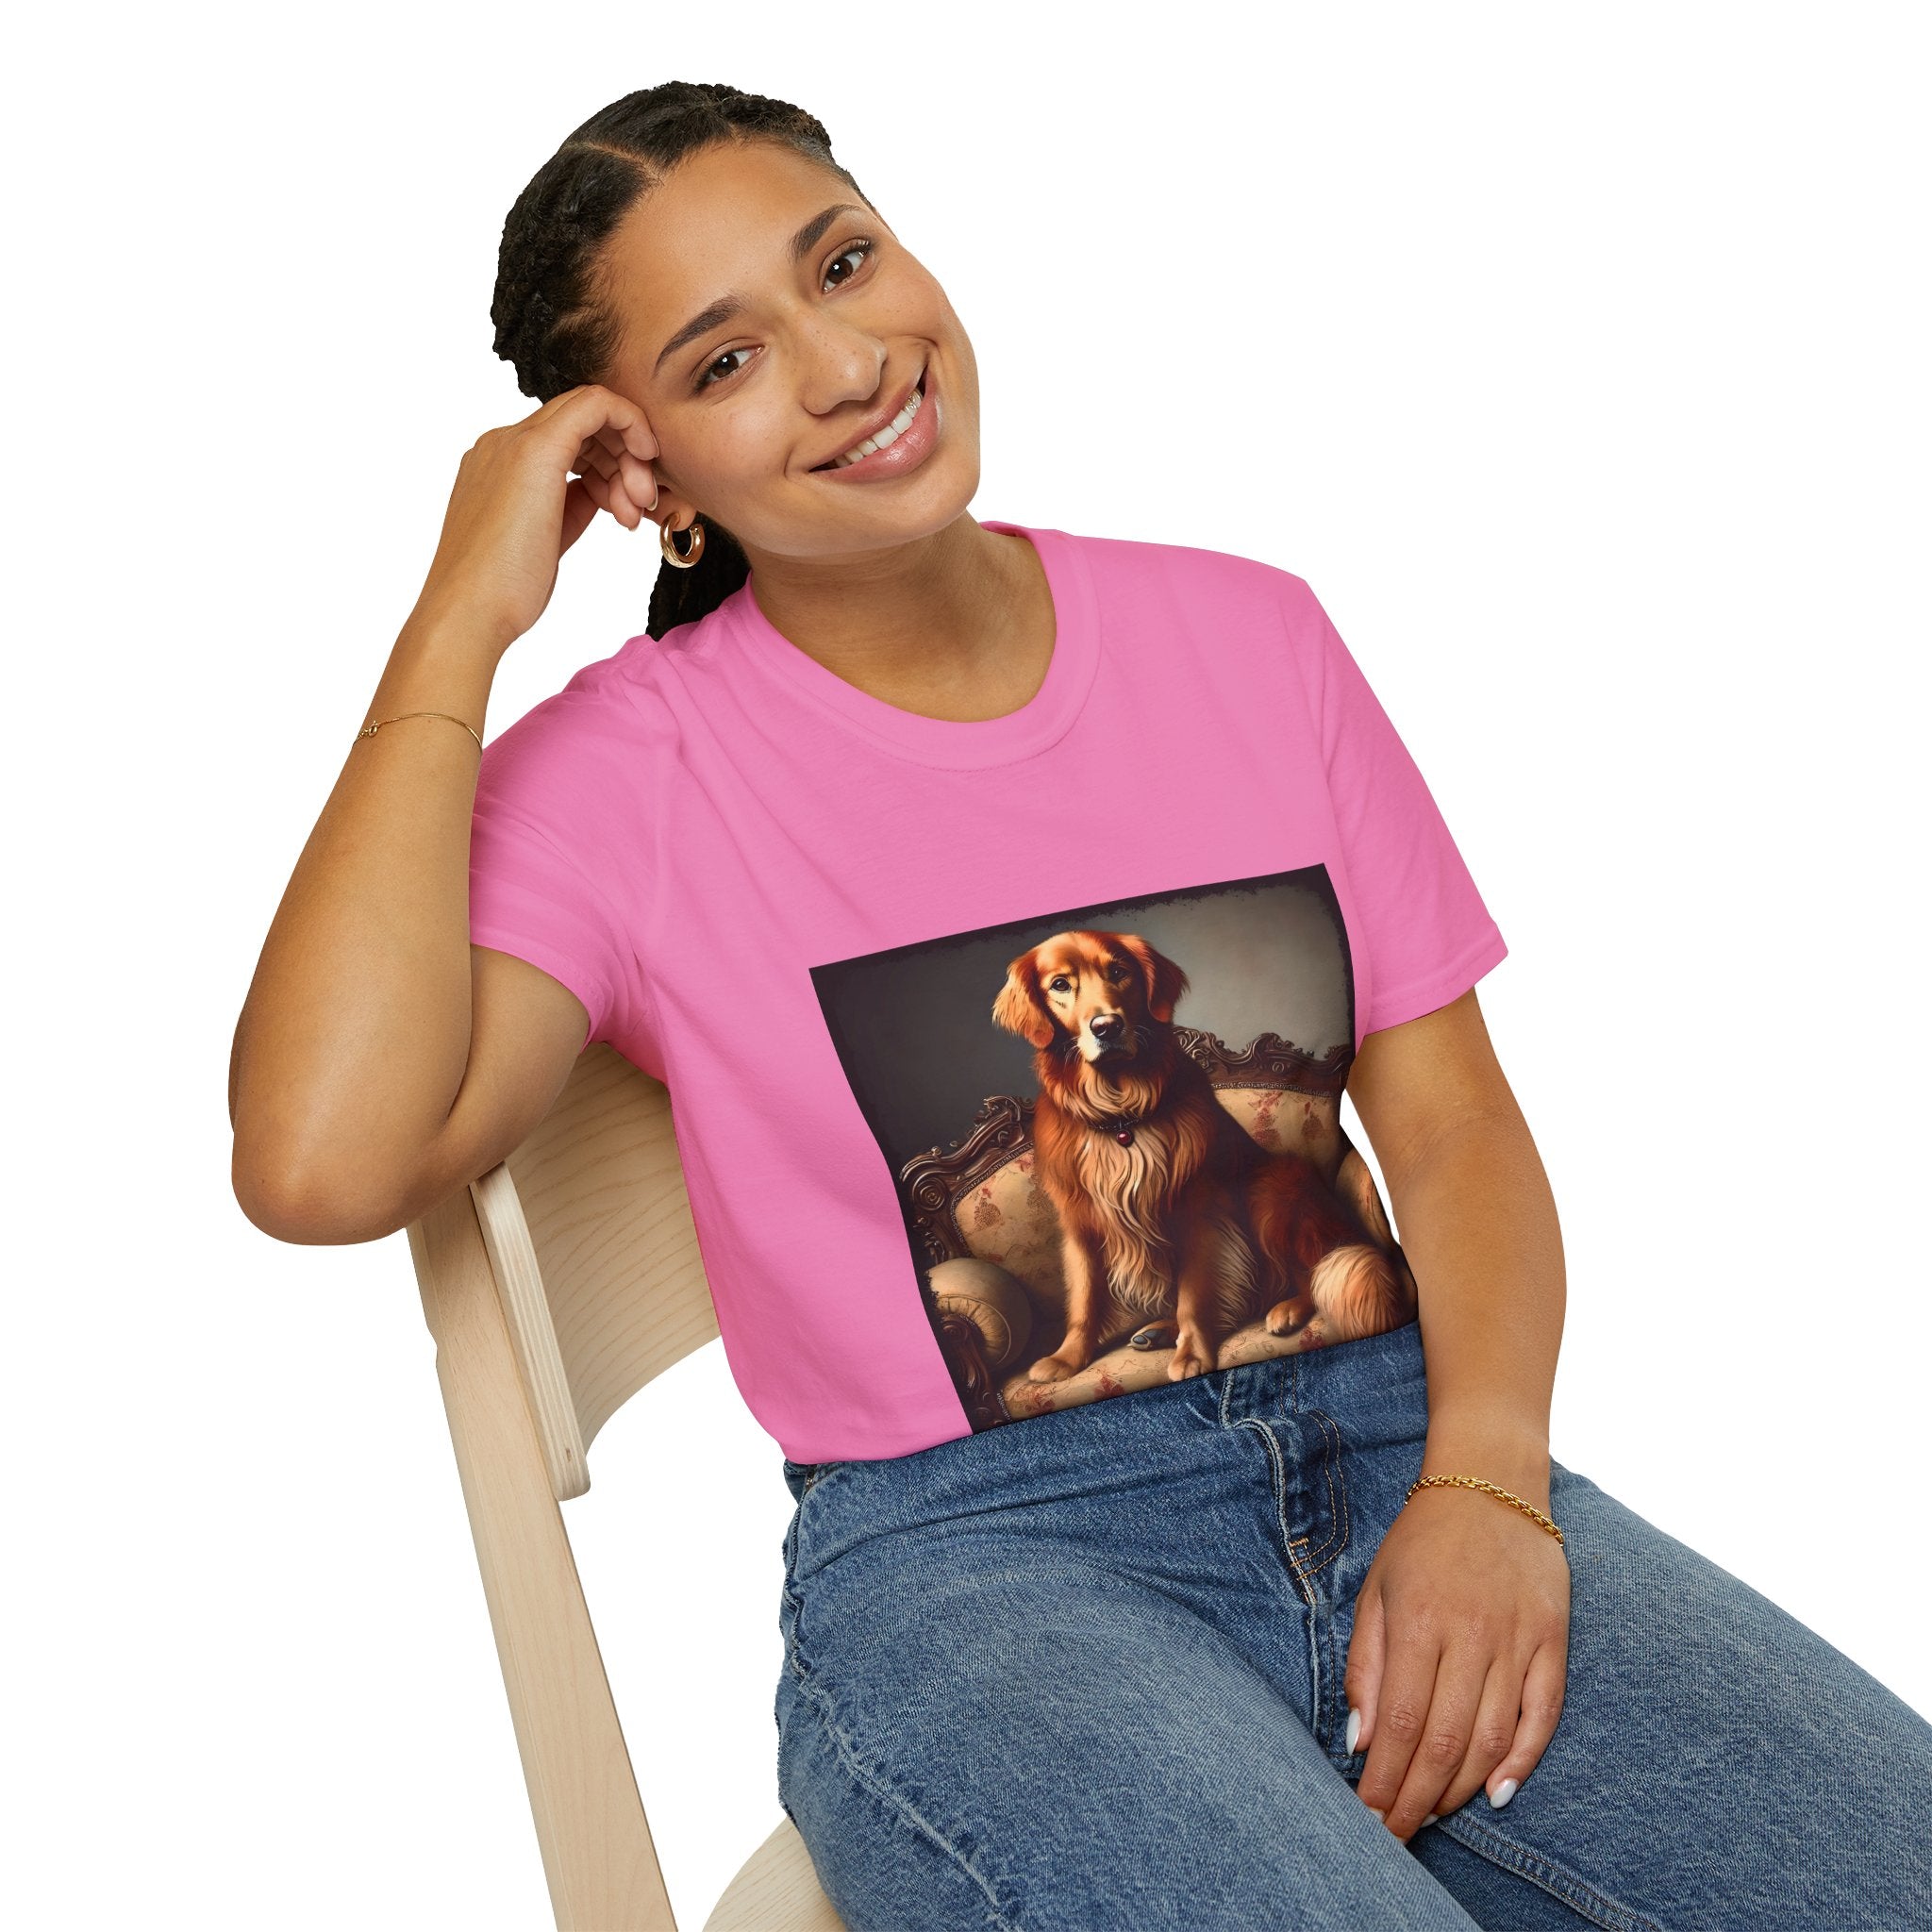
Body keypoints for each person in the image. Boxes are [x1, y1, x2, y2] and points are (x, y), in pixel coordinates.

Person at [228, 81, 1932, 1932]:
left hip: (1401, 1446)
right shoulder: (628, 774)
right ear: (644, 476)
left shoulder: (1249, 636)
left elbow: (1447, 1128)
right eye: (725, 362)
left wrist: (1490, 1486)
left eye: (845, 263)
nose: (845, 362)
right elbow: (321, 1158)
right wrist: (456, 620)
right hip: (985, 1568)